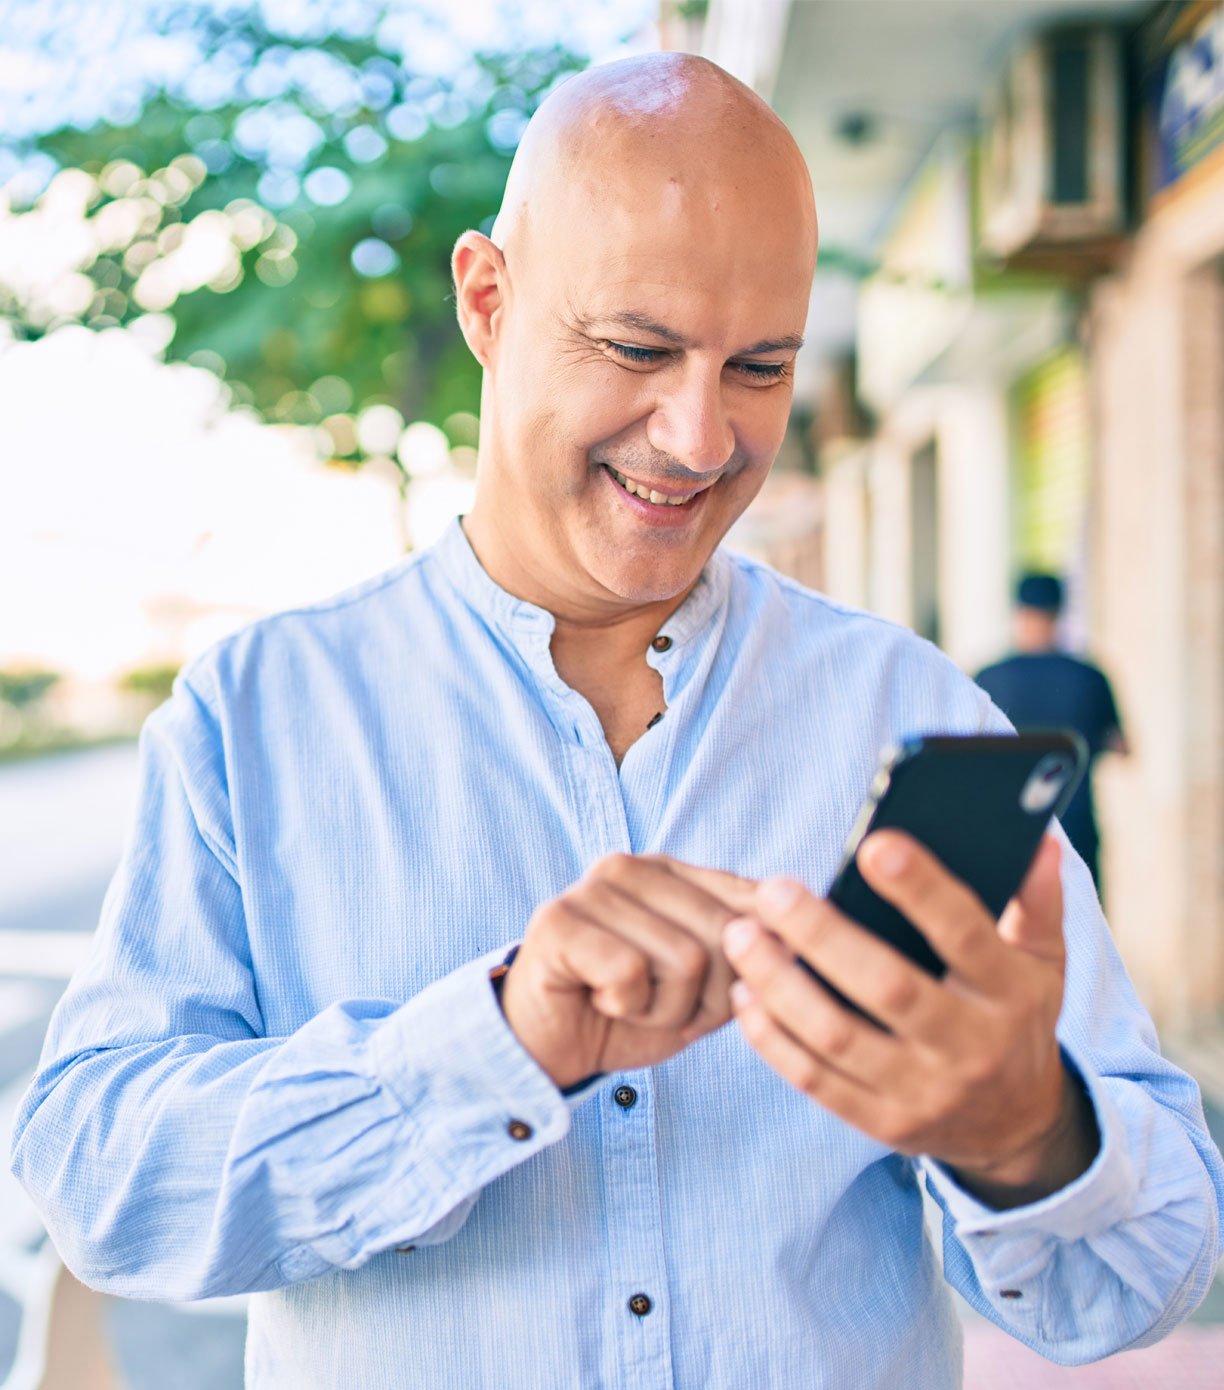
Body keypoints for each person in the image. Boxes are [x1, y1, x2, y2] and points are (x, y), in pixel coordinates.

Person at [10, 54, 1223, 1390]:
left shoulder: (914, 711)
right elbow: (101, 1185)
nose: (700, 437)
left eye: (759, 367)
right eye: (637, 349)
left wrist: (1025, 1133)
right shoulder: (257, 716)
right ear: (487, 299)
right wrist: (488, 1044)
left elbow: (1142, 1279)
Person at [976, 573, 1128, 888]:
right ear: (1059, 612)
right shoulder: (1090, 676)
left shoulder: (987, 679)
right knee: (1080, 931)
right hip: (1075, 829)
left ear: (1017, 611)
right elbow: (1123, 746)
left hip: (1006, 828)